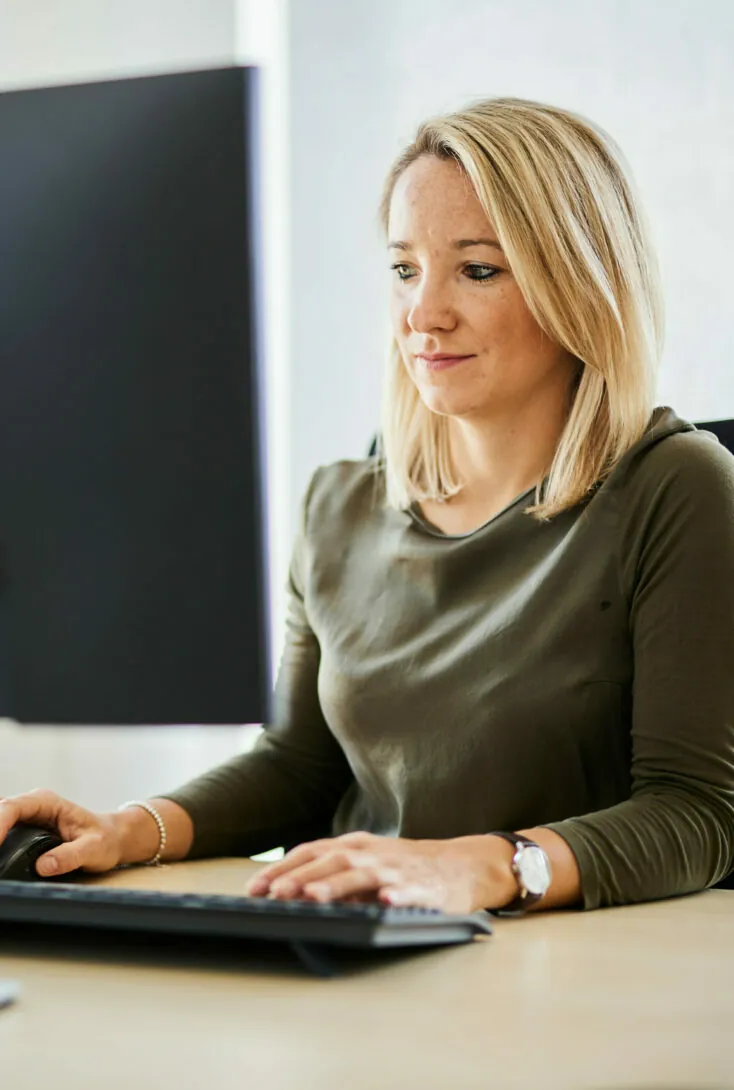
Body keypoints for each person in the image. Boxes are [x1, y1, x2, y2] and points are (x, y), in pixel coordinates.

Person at [1, 97, 733, 914]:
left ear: (581, 284)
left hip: (569, 968)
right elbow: (298, 770)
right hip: (361, 946)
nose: (423, 315)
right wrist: (127, 828)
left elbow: (696, 813)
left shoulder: (677, 487)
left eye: (478, 269)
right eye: (404, 269)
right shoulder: (339, 503)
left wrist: (493, 867)